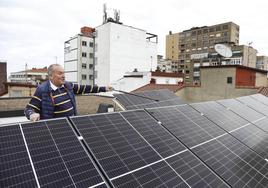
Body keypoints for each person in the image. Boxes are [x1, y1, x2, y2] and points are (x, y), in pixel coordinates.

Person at [24, 64, 113, 121]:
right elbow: (29, 109)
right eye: (60, 73)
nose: (63, 76)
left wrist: (104, 88)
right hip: (54, 130)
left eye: (63, 73)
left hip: (71, 125)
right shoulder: (42, 90)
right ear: (51, 76)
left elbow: (84, 88)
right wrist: (32, 114)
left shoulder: (67, 86)